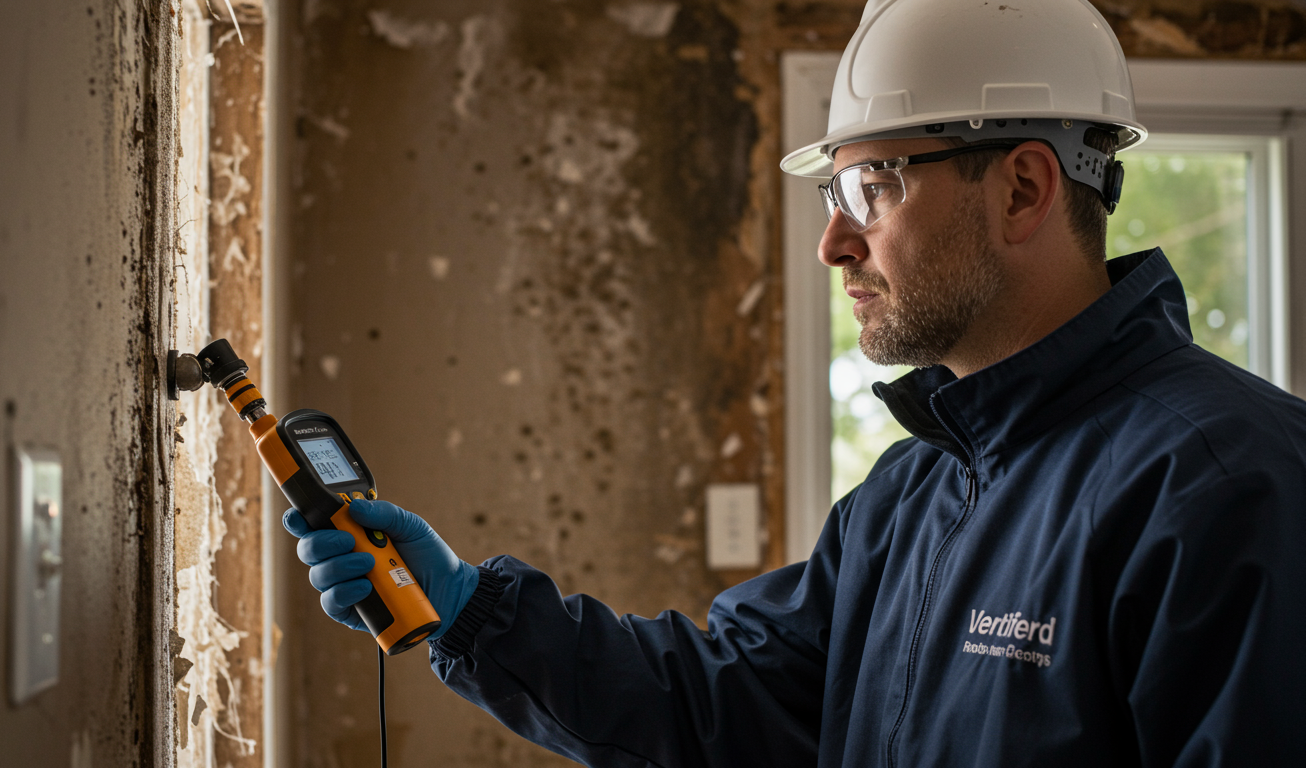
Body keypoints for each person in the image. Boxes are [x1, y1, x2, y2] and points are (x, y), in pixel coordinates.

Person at [284, 0, 1306, 764]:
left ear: (1025, 187)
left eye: (874, 185)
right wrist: (469, 613)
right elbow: (721, 704)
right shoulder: (910, 499)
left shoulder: (1228, 486)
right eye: (834, 191)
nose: (831, 240)